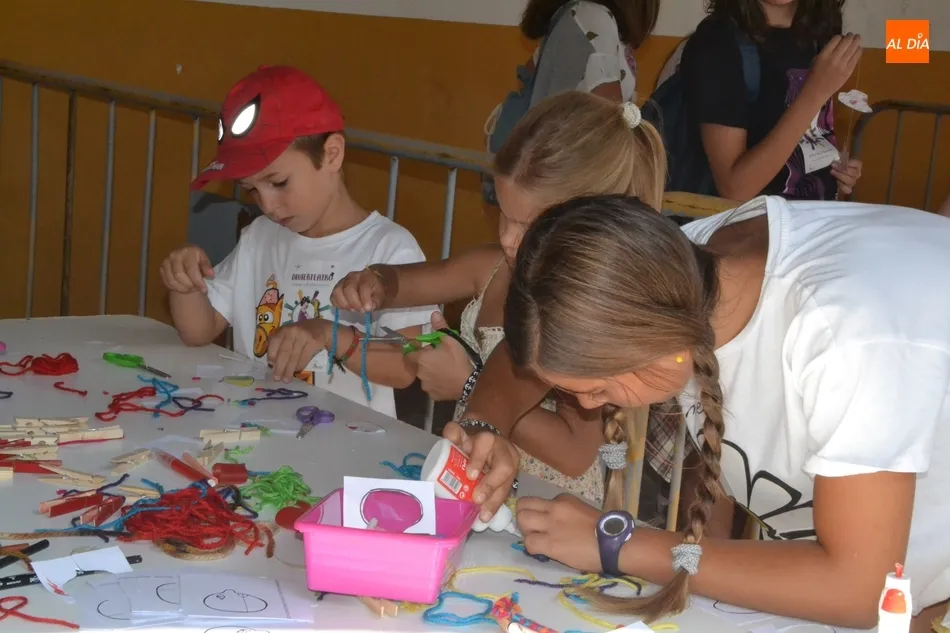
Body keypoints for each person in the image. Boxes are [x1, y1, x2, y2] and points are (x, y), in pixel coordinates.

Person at [478, 192, 950, 630]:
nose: (586, 405)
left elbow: (858, 588)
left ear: (649, 339)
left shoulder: (844, 339)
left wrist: (618, 543)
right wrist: (481, 426)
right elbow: (541, 337)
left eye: (598, 389)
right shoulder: (672, 270)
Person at [331, 91, 667, 506]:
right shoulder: (490, 267)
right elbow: (409, 282)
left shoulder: (590, 315)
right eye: (503, 213)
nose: (507, 237)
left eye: (527, 225)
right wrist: (377, 281)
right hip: (479, 484)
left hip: (548, 505)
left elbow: (574, 453)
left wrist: (467, 382)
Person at [161, 65, 435, 417]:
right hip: (257, 433)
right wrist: (184, 282)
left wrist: (328, 335)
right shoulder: (259, 238)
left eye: (279, 183)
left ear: (332, 154)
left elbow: (407, 366)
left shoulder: (390, 248)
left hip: (344, 444)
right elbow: (198, 330)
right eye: (251, 190)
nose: (267, 205)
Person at [680, 0, 864, 201]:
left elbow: (809, 135)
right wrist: (815, 92)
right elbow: (735, 189)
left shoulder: (820, 32)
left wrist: (833, 168)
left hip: (818, 212)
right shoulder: (716, 43)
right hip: (756, 218)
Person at [483, 0, 660, 207]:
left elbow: (529, 73)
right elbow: (611, 120)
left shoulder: (570, 15)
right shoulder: (594, 18)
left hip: (550, 171)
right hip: (576, 179)